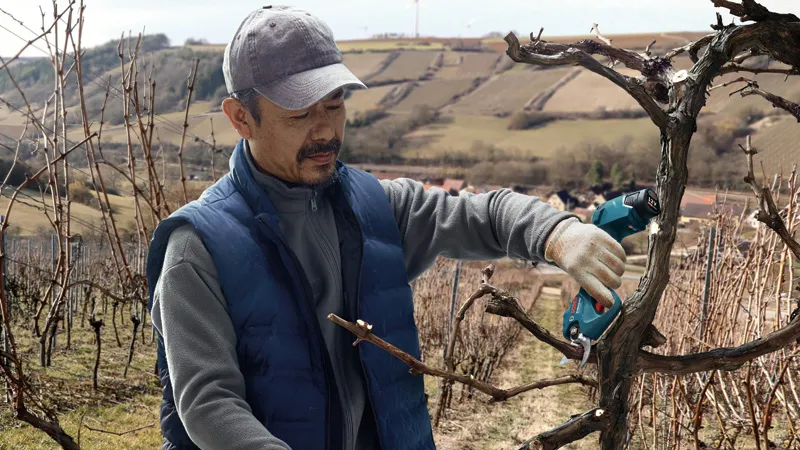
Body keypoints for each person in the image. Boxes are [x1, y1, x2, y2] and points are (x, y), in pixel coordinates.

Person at [146, 5, 627, 450]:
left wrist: (556, 233)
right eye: (300, 114)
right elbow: (208, 403)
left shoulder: (375, 206)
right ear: (240, 118)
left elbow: (479, 213)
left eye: (334, 105)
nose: (325, 131)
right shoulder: (198, 247)